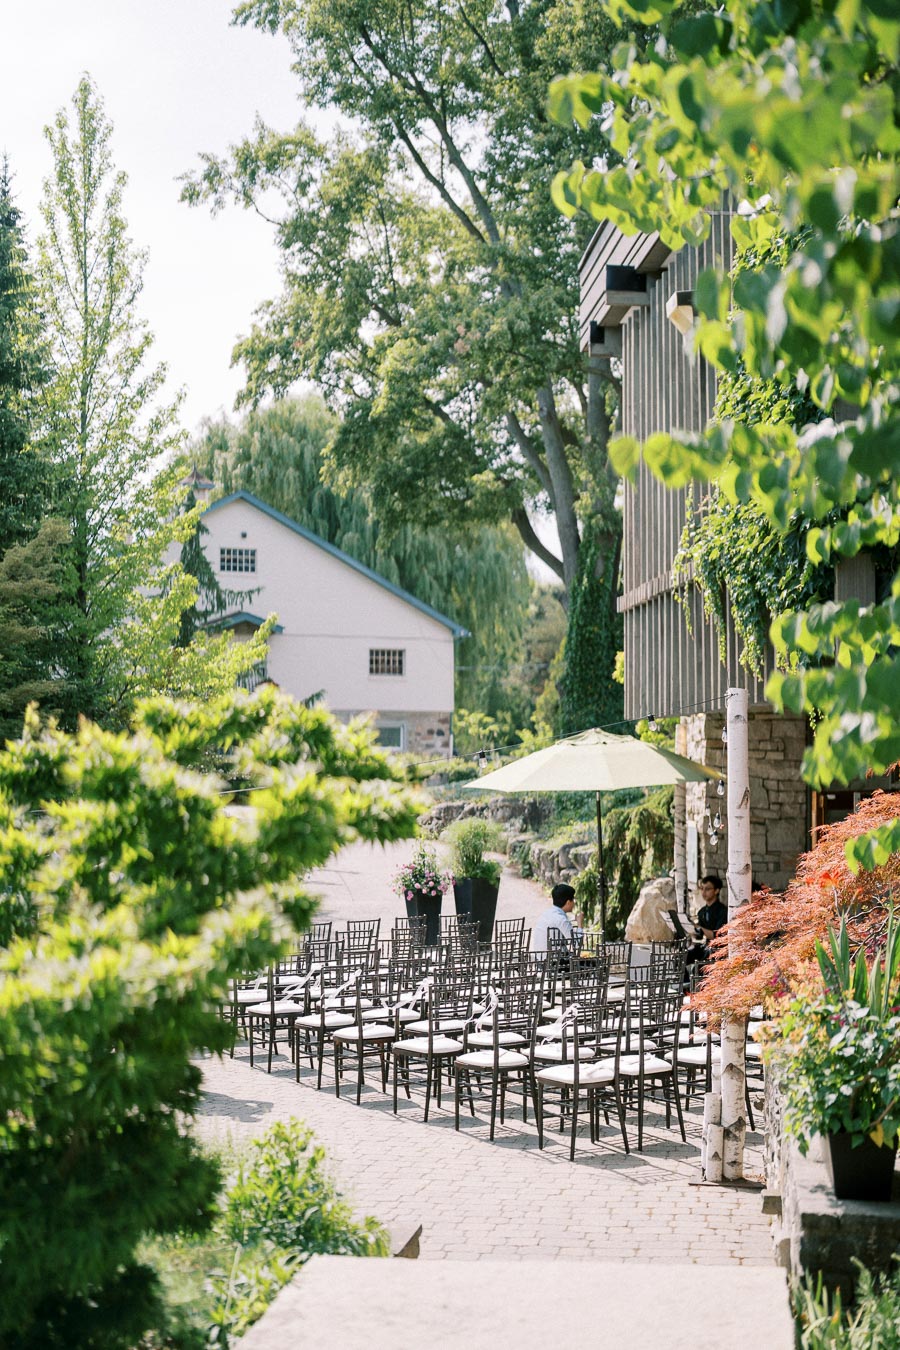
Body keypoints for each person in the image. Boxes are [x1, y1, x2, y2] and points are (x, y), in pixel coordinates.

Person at [532, 882, 583, 956]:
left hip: (540, 959)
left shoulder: (547, 913)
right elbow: (577, 944)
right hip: (555, 963)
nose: (574, 903)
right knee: (592, 963)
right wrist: (580, 924)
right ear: (568, 902)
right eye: (573, 900)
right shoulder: (561, 920)